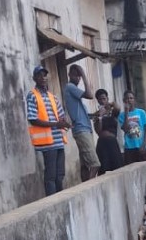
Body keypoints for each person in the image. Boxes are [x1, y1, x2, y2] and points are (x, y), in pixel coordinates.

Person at [26, 65, 69, 196]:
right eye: (39, 75)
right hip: (47, 142)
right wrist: (56, 124)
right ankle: (53, 202)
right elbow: (33, 119)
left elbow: (61, 116)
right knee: (51, 176)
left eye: (44, 75)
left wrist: (66, 123)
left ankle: (60, 199)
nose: (43, 78)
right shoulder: (32, 95)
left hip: (58, 141)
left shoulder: (52, 97)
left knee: (60, 174)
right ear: (34, 78)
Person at [63, 65, 100, 182]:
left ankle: (85, 184)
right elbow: (90, 95)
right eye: (76, 75)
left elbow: (82, 114)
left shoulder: (73, 92)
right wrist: (84, 74)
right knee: (95, 164)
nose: (78, 78)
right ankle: (90, 188)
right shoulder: (70, 87)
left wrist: (96, 114)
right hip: (82, 130)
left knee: (85, 165)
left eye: (79, 76)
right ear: (69, 75)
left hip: (83, 129)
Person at [119, 90, 146, 165]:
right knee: (130, 169)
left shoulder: (141, 112)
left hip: (141, 146)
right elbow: (125, 129)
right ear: (124, 100)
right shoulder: (121, 115)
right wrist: (126, 113)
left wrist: (144, 144)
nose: (129, 100)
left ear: (134, 100)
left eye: (131, 98)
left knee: (144, 168)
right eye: (127, 98)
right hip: (129, 148)